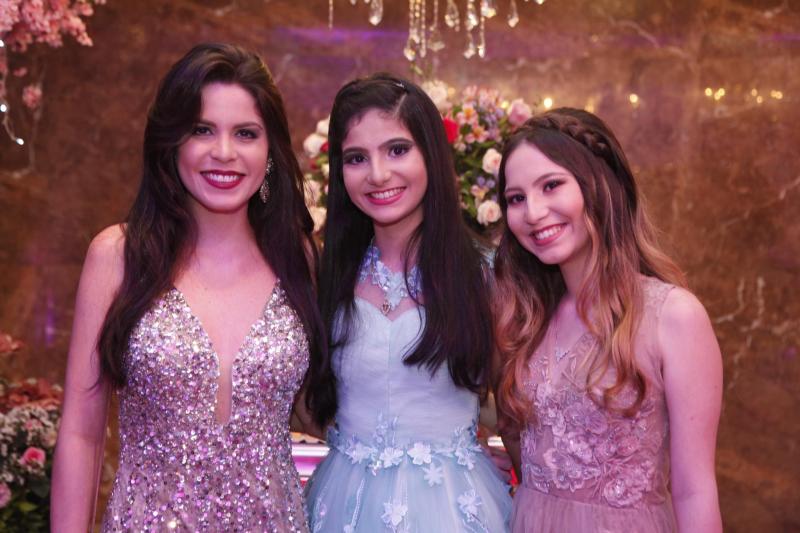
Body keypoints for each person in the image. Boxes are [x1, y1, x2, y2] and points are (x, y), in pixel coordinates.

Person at [51, 42, 324, 532]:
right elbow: (81, 434)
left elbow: (335, 407)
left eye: (246, 133)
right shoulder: (118, 256)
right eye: (202, 130)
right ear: (172, 142)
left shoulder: (299, 257)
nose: (224, 152)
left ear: (270, 151)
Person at [493, 108, 723, 532]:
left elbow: (695, 490)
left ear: (599, 184)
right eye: (516, 198)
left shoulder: (672, 316)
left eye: (551, 185)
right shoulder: (525, 318)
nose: (533, 212)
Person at [303, 73, 512, 532]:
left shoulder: (483, 274)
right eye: (357, 158)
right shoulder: (327, 274)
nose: (378, 174)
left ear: (430, 155)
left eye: (397, 150)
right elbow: (303, 397)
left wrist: (509, 455)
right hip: (345, 502)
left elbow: (519, 397)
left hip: (453, 504)